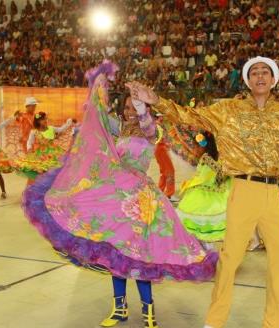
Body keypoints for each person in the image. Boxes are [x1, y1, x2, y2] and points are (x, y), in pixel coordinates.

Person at [21, 62, 218, 328]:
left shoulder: (152, 131)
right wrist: (97, 86)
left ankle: (148, 313)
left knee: (141, 255)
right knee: (116, 255)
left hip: (141, 201)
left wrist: (141, 106)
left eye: (134, 108)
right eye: (126, 108)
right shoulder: (119, 130)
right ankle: (119, 309)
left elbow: (148, 125)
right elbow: (98, 117)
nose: (130, 112)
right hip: (115, 199)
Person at [126, 56, 279, 328]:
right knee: (230, 259)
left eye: (265, 72)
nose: (260, 76)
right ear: (247, 80)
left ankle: (275, 323)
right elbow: (192, 116)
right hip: (243, 188)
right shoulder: (229, 109)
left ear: (273, 80)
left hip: (273, 193)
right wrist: (157, 101)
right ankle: (215, 321)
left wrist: (277, 166)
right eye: (255, 72)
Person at [177, 132, 230, 247]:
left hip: (205, 193)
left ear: (204, 146)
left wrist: (194, 182)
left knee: (194, 217)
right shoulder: (214, 157)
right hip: (211, 190)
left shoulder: (206, 158)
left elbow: (215, 174)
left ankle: (200, 244)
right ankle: (203, 244)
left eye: (197, 146)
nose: (194, 149)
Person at [13, 112, 72, 181]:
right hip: (41, 153)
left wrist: (68, 123)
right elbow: (29, 141)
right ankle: (42, 184)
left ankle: (53, 183)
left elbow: (61, 129)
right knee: (42, 170)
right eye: (43, 119)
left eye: (45, 119)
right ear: (38, 121)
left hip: (54, 152)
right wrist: (29, 148)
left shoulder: (51, 128)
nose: (45, 120)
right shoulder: (34, 132)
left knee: (54, 168)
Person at [154, 115, 176, 200]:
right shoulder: (157, 125)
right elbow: (159, 139)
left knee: (164, 172)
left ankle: (160, 192)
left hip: (159, 149)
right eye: (161, 116)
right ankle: (169, 193)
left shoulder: (156, 124)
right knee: (170, 170)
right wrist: (167, 144)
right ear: (158, 117)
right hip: (161, 149)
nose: (163, 117)